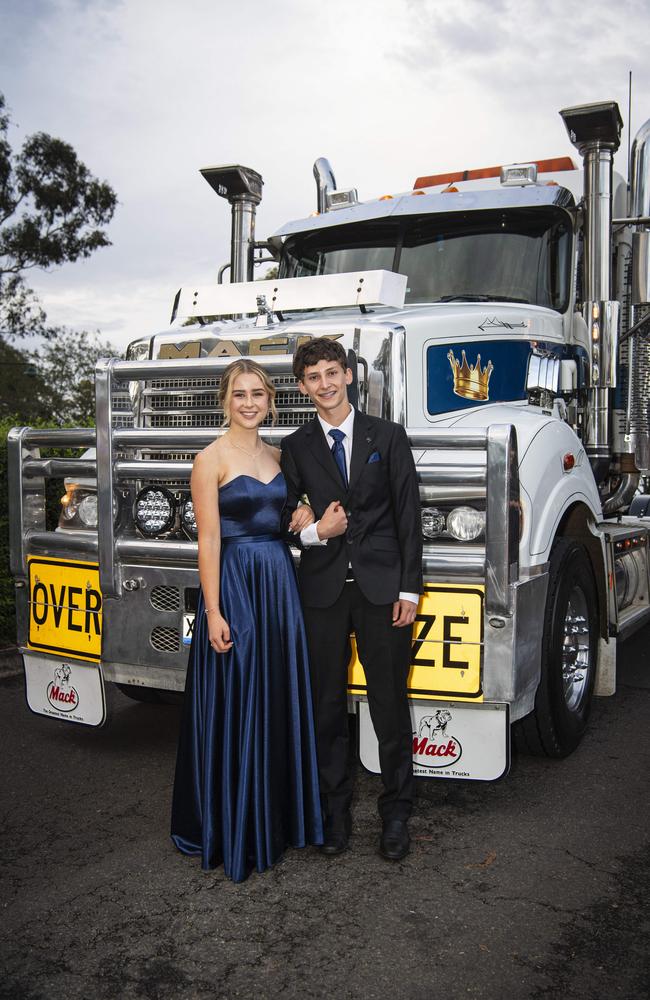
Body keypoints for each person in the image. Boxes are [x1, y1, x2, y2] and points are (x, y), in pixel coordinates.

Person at [171, 359, 323, 882]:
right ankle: (233, 823)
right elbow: (208, 541)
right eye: (240, 394)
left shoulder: (280, 455)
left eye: (258, 393)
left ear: (272, 400)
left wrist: (301, 511)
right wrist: (212, 611)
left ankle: (273, 820)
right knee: (240, 696)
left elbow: (289, 514)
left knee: (276, 695)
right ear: (225, 400)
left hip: (279, 583)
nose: (249, 402)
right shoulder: (208, 459)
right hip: (234, 583)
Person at [280, 337, 423, 862]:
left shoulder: (388, 436)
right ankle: (332, 815)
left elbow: (408, 515)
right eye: (314, 376)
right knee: (326, 708)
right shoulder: (294, 448)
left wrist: (410, 588)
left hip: (383, 591)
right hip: (319, 594)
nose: (325, 383)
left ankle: (396, 815)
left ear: (349, 376)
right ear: (303, 387)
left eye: (332, 372)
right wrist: (317, 530)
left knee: (389, 703)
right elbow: (282, 523)